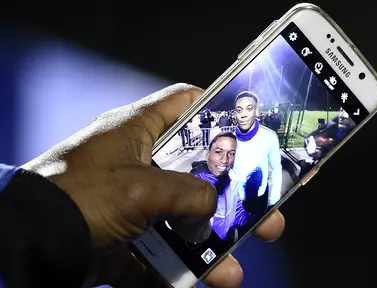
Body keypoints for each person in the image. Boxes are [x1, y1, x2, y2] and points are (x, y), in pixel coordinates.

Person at [0, 84, 285, 288]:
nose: (224, 159)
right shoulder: (186, 177)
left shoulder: (238, 187)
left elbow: (242, 217)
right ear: (208, 152)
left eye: (230, 154)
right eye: (219, 152)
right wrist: (38, 218)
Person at [232, 91, 283, 210]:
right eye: (239, 110)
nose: (243, 115)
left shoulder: (269, 137)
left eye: (249, 109)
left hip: (259, 199)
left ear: (256, 111)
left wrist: (274, 198)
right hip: (234, 199)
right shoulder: (229, 138)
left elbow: (276, 168)